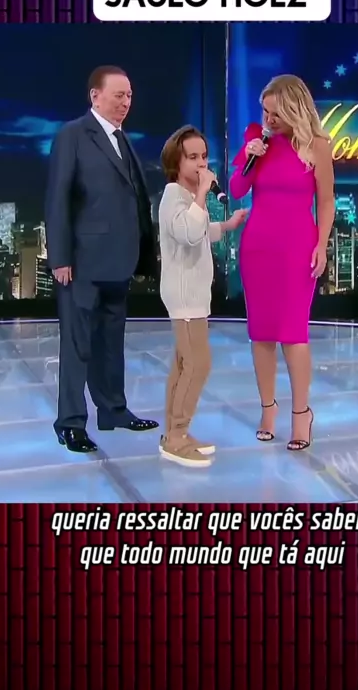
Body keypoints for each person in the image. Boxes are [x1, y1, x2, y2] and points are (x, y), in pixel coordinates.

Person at [45, 65, 159, 453]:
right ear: (95, 96)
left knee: (111, 342)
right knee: (77, 345)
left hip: (118, 261)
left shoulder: (122, 140)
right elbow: (58, 197)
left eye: (129, 96)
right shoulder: (73, 135)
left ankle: (113, 410)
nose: (126, 102)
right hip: (81, 262)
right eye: (118, 95)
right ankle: (70, 422)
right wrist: (60, 257)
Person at [229, 74, 335, 452]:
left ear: (295, 110)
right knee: (261, 332)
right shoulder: (257, 141)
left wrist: (322, 244)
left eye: (276, 113)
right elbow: (237, 189)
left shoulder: (317, 146)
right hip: (258, 246)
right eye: (265, 112)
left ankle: (301, 414)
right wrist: (250, 156)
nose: (269, 119)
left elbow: (326, 200)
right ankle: (267, 410)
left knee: (293, 333)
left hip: (297, 248)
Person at [158, 125, 248, 467]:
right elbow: (187, 232)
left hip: (193, 292)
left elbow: (199, 231)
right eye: (192, 157)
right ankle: (177, 437)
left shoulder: (185, 197)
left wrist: (227, 226)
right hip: (184, 294)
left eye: (204, 156)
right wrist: (201, 195)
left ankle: (174, 433)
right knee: (198, 363)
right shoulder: (174, 195)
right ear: (176, 161)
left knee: (184, 364)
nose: (201, 164)